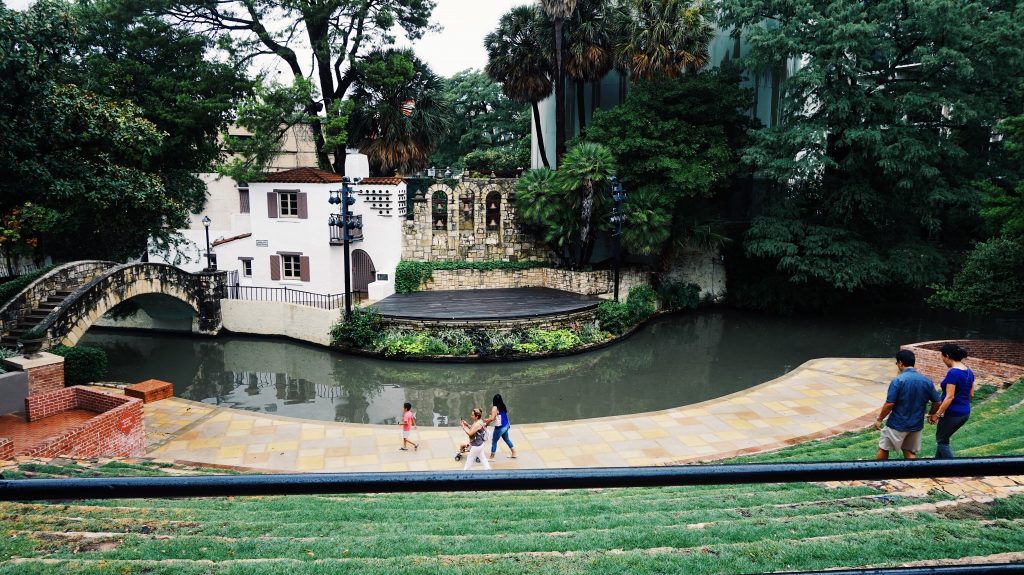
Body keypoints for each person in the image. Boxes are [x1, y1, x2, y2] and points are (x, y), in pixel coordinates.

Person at [874, 349, 940, 460]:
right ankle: (913, 475)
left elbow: (889, 404)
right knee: (909, 451)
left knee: (883, 448)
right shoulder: (926, 380)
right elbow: (937, 402)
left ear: (900, 363)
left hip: (897, 423)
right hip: (916, 424)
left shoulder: (898, 380)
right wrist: (932, 414)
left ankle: (876, 476)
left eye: (897, 363)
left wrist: (880, 419)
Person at [928, 343, 975, 458]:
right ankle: (937, 466)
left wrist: (937, 414)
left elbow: (950, 397)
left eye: (943, 358)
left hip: (952, 414)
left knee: (942, 441)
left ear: (947, 356)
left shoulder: (953, 373)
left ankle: (954, 469)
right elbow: (971, 394)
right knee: (943, 439)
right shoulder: (969, 371)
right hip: (964, 412)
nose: (943, 361)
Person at [484, 394, 517, 460]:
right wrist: (488, 419)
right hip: (506, 425)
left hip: (500, 427)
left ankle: (492, 457)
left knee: (494, 441)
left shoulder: (495, 407)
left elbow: (493, 418)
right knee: (507, 439)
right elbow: (499, 415)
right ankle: (514, 453)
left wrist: (486, 423)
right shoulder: (503, 405)